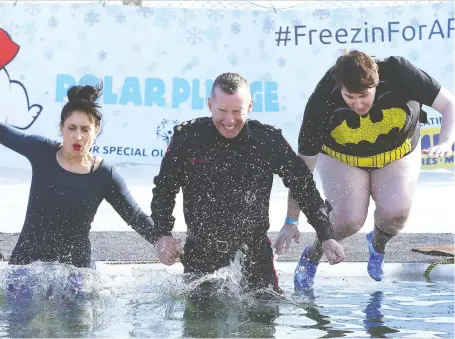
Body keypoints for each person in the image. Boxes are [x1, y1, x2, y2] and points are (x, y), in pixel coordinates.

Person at [150, 72, 345, 294]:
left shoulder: (267, 140)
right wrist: (162, 234)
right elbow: (164, 189)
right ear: (210, 105)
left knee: (264, 317)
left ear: (250, 107)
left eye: (237, 111)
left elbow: (303, 186)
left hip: (253, 252)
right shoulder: (187, 137)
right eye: (222, 111)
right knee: (199, 324)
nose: (230, 121)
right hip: (201, 251)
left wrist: (326, 235)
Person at [275, 50, 455, 289]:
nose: (358, 104)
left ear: (377, 82)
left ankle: (377, 244)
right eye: (350, 97)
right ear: (339, 87)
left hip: (397, 151)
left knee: (396, 213)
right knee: (348, 220)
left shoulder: (399, 72)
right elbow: (302, 170)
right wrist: (290, 220)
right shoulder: (321, 99)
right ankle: (313, 254)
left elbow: (448, 104)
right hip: (343, 157)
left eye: (364, 95)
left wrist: (445, 140)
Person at [1, 84, 162, 294]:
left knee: (77, 325)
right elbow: (3, 133)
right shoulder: (41, 151)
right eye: (72, 128)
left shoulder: (104, 175)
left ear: (96, 130)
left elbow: (136, 216)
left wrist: (162, 241)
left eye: (85, 129)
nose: (78, 136)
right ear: (61, 128)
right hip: (26, 267)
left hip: (76, 274)